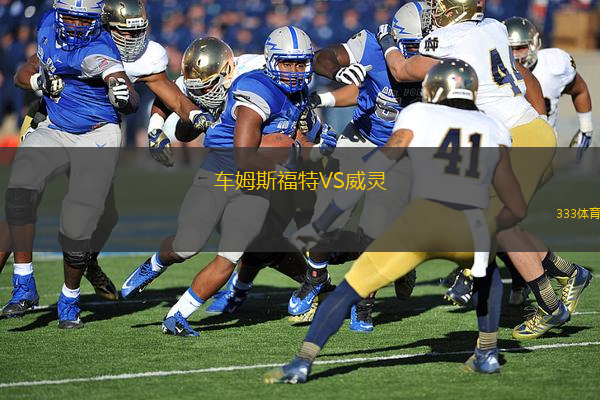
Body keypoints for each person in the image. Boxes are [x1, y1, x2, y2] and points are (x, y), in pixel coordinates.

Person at [264, 59, 526, 383]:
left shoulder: (419, 113)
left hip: (422, 222)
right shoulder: (493, 125)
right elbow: (516, 207)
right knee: (488, 276)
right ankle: (487, 353)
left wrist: (323, 221)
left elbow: (375, 169)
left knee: (350, 289)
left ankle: (302, 362)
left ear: (435, 89)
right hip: (470, 226)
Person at [377, 0, 589, 339]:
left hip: (513, 138)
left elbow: (402, 70)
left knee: (497, 227)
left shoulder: (446, 40)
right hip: (534, 130)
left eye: (439, 5)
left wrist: (387, 41)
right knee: (503, 224)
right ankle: (569, 272)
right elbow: (519, 73)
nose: (435, 11)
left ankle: (550, 307)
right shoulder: (493, 27)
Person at [120, 26, 319, 337]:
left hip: (255, 184)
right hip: (222, 170)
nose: (293, 72)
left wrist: (314, 139)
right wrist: (155, 127)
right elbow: (173, 97)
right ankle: (156, 263)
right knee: (187, 246)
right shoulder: (255, 87)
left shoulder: (263, 73)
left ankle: (177, 316)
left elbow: (300, 134)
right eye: (286, 64)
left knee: (231, 254)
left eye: (298, 65)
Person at [286, 0, 428, 333]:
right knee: (325, 219)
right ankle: (315, 276)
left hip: (402, 152)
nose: (417, 55)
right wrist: (337, 74)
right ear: (395, 38)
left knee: (374, 232)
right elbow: (323, 58)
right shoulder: (370, 44)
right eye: (411, 46)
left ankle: (364, 301)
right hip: (360, 139)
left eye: (423, 46)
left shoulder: (440, 54)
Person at [5, 0, 139, 328]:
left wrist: (124, 96)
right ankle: (24, 283)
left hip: (96, 133)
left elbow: (125, 89)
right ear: (58, 13)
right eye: (69, 17)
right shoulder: (48, 26)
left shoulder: (99, 48)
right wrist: (38, 82)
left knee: (77, 226)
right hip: (55, 126)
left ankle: (70, 296)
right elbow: (24, 72)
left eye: (83, 19)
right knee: (18, 192)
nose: (76, 25)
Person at [504, 16, 594, 162]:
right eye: (510, 49)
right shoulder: (492, 74)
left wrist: (586, 129)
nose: (514, 55)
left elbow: (580, 90)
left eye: (520, 48)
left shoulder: (554, 65)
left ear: (534, 44)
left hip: (543, 151)